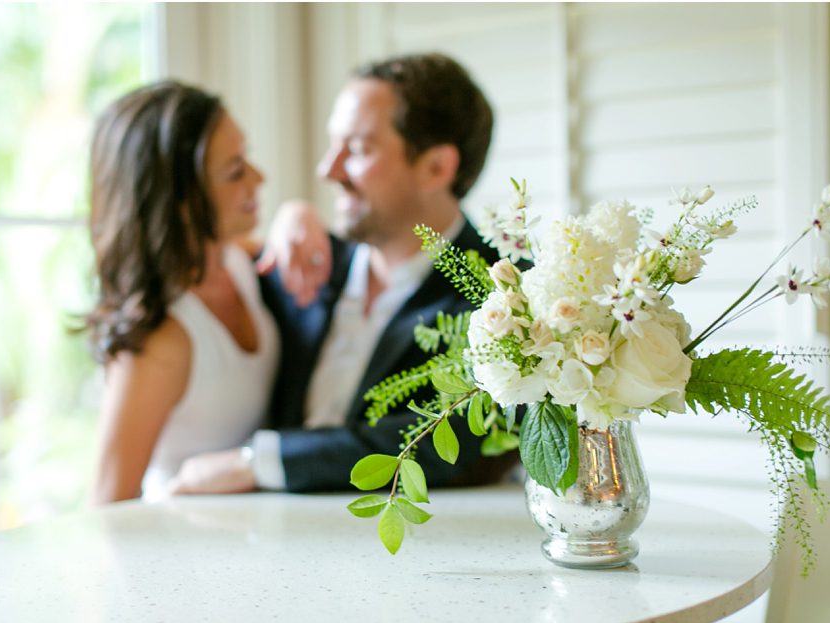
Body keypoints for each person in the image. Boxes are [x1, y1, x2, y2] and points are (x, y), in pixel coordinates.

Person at [169, 53, 517, 494]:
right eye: (333, 145)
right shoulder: (307, 263)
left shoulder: (502, 298)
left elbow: (454, 441)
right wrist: (290, 215)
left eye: (356, 149)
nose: (327, 170)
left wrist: (258, 463)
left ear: (436, 167)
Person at [86, 80, 328, 503]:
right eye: (235, 171)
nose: (259, 177)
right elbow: (107, 504)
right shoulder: (161, 343)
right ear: (180, 201)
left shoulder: (233, 261)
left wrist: (297, 212)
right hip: (185, 556)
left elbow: (282, 244)